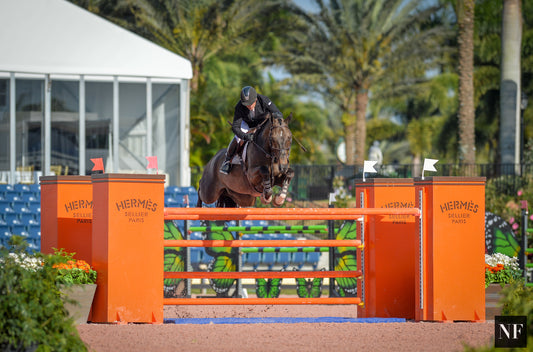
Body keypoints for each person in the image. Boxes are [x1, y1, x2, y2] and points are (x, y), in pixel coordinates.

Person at [220, 86, 283, 174]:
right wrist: (245, 136)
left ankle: (279, 157)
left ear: (256, 99)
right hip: (247, 124)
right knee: (238, 139)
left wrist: (277, 115)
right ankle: (227, 160)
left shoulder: (264, 100)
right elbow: (235, 127)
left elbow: (277, 112)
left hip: (262, 124)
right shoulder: (239, 106)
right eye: (246, 104)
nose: (248, 106)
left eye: (250, 103)